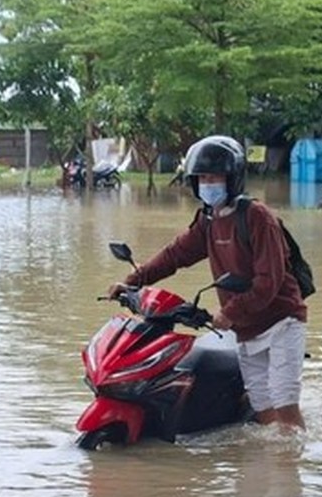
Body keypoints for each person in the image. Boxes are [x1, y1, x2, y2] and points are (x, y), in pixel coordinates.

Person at [108, 135, 309, 430]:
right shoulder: (209, 220)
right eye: (201, 177)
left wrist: (229, 313)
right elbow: (176, 254)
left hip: (282, 322)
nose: (207, 183)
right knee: (262, 404)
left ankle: (292, 464)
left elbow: (269, 282)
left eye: (214, 176)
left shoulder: (257, 218)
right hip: (245, 328)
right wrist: (133, 281)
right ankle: (269, 464)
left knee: (284, 404)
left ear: (233, 179)